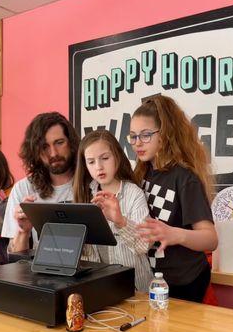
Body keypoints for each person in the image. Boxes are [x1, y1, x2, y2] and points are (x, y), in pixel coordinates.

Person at [129, 95, 218, 303]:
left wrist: (174, 234)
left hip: (187, 282)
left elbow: (211, 239)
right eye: (133, 136)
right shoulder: (140, 175)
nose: (137, 143)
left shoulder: (185, 178)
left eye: (145, 135)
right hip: (152, 281)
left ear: (166, 134)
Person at [73, 130, 153, 291]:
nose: (99, 167)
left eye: (105, 158)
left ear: (117, 156)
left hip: (135, 288)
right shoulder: (83, 196)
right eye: (91, 162)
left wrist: (120, 221)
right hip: (98, 288)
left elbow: (145, 245)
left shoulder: (133, 193)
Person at [2, 112, 80, 252]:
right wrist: (23, 232)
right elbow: (15, 261)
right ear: (35, 151)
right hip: (43, 272)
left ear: (71, 143)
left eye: (59, 142)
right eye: (45, 147)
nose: (54, 153)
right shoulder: (23, 188)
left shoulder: (92, 182)